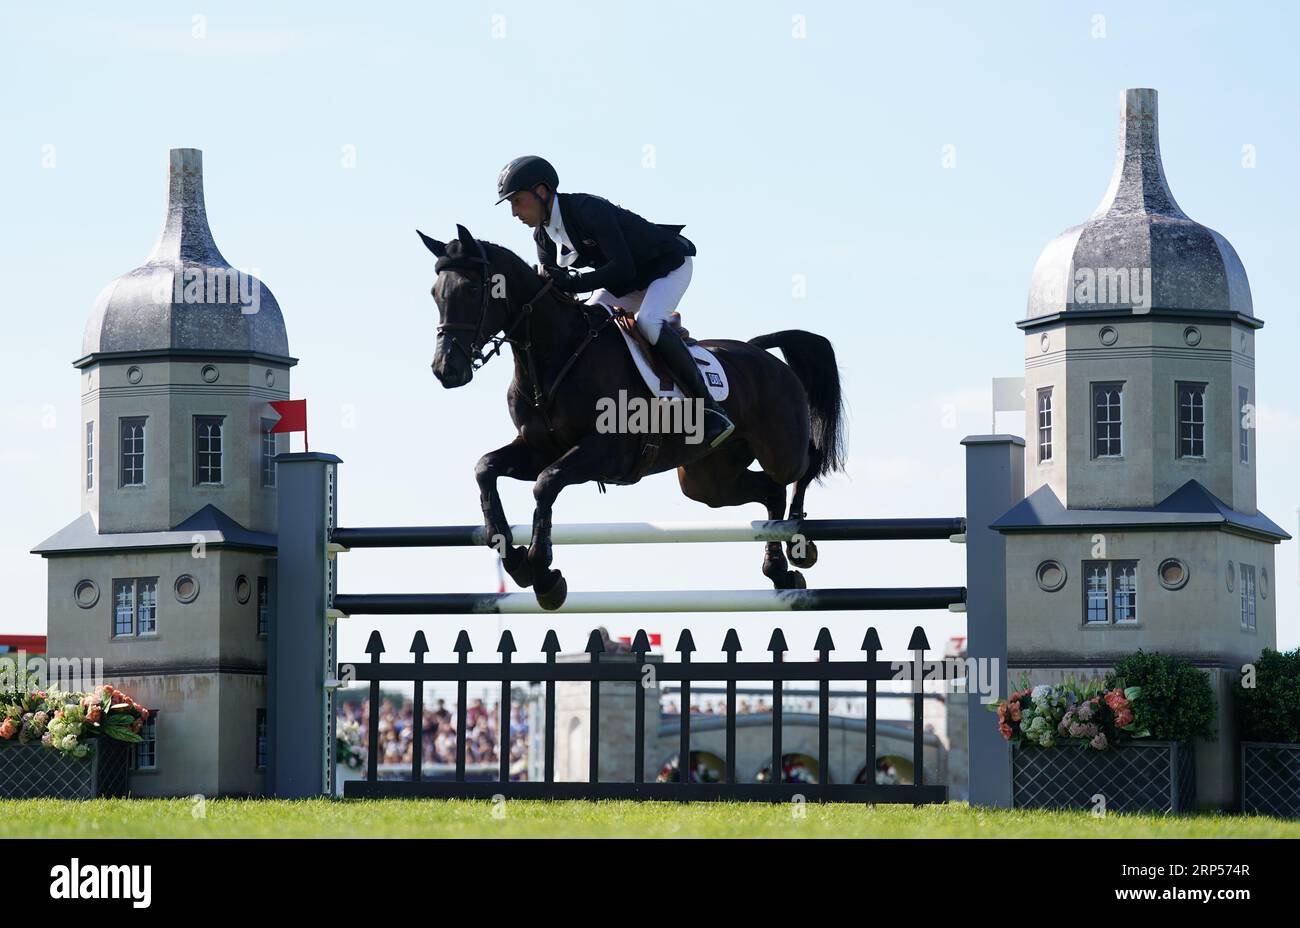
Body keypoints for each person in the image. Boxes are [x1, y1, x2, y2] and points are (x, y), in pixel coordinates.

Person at [495, 155, 735, 448]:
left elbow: (623, 267)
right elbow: (560, 289)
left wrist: (576, 283)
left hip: (666, 266)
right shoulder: (543, 238)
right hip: (624, 283)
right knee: (591, 323)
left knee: (648, 323)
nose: (514, 212)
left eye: (518, 201)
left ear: (542, 192)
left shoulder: (588, 211)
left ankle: (710, 409)